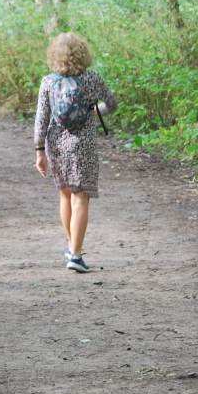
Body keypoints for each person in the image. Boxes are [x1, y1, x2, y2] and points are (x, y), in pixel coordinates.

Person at [33, 32, 117, 273]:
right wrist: (93, 111)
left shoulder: (48, 82)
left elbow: (41, 119)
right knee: (81, 196)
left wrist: (39, 151)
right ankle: (76, 255)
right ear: (83, 53)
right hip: (83, 143)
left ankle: (72, 247)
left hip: (56, 144)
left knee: (65, 195)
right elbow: (111, 104)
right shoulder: (92, 78)